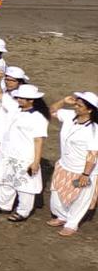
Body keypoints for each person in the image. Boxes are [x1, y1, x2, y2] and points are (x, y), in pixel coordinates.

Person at [0, 85, 49, 222]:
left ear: (32, 100)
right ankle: (3, 204)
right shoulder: (15, 108)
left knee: (24, 185)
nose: (19, 99)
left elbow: (39, 141)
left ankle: (23, 211)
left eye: (22, 98)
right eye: (18, 97)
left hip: (25, 156)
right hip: (8, 153)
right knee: (5, 180)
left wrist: (36, 162)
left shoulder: (38, 118)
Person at [46, 92, 98, 236]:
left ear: (89, 110)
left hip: (82, 170)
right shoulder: (70, 116)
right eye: (76, 103)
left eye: (79, 105)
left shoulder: (94, 130)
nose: (75, 107)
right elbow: (51, 111)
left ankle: (72, 223)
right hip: (64, 165)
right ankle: (62, 216)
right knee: (57, 193)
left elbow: (92, 154)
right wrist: (63, 100)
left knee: (80, 197)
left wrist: (86, 174)